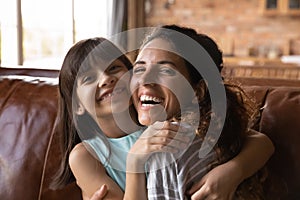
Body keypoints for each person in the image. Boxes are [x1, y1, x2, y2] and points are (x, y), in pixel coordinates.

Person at [51, 34, 273, 200]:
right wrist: (135, 161)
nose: (106, 79)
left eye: (114, 68)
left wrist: (232, 171)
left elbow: (261, 142)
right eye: (89, 78)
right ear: (78, 105)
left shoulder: (155, 118)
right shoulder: (86, 156)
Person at [123, 24, 274, 200]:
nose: (145, 80)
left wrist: (133, 163)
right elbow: (261, 141)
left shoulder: (167, 149)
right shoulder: (215, 130)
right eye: (139, 68)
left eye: (166, 70)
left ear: (198, 90)